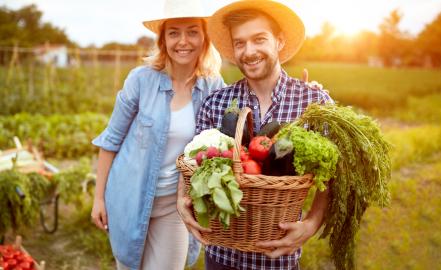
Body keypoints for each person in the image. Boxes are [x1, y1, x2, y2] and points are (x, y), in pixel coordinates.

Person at [176, 0, 334, 269]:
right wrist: (182, 197)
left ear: (279, 41)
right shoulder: (216, 102)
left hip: (279, 257)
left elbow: (331, 176)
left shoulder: (314, 102)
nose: (249, 52)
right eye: (240, 43)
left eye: (259, 39)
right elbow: (193, 162)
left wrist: (313, 221)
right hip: (222, 254)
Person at [90, 0, 225, 269]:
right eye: (173, 32)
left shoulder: (214, 86)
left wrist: (298, 90)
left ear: (204, 38)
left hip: (176, 206)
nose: (182, 41)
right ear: (163, 39)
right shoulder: (141, 80)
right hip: (129, 197)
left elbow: (243, 114)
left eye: (192, 31)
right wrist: (98, 198)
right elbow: (111, 140)